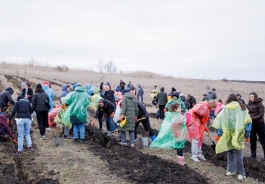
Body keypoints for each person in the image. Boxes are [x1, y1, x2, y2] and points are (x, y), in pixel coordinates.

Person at [212, 94, 252, 180]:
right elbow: (248, 121)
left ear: (228, 100)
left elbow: (222, 123)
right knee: (238, 153)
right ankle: (241, 174)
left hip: (228, 134)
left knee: (230, 152)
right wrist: (247, 135)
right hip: (239, 134)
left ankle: (230, 170)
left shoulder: (226, 108)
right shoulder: (242, 108)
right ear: (237, 100)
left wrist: (219, 134)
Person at [246, 92, 265, 160]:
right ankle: (253, 155)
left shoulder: (260, 104)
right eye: (250, 97)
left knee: (262, 139)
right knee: (252, 139)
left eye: (252, 97)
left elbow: (261, 115)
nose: (251, 98)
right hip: (251, 124)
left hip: (259, 124)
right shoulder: (248, 105)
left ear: (255, 97)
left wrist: (251, 117)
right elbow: (246, 113)